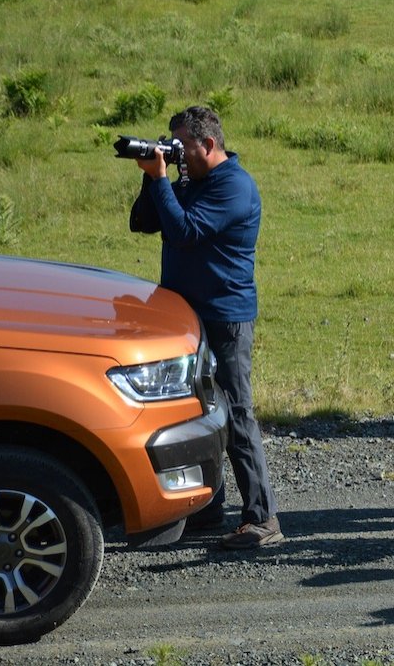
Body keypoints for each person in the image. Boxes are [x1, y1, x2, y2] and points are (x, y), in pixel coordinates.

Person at [130, 106, 283, 550]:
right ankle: (207, 508)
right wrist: (151, 176)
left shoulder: (235, 186)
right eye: (172, 146)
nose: (177, 156)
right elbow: (143, 223)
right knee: (194, 413)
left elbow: (184, 233)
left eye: (182, 147)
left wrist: (163, 181)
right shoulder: (188, 182)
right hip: (185, 316)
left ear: (209, 144)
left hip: (225, 316)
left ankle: (262, 518)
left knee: (235, 414)